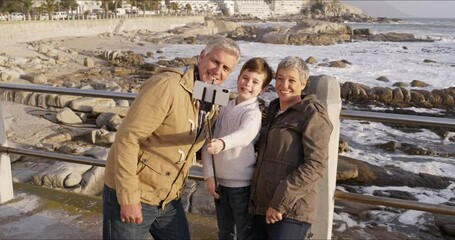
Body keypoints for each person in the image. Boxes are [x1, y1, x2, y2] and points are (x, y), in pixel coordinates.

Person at [102, 37, 241, 240]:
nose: (218, 71)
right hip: (136, 193)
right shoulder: (167, 85)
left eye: (226, 68)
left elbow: (204, 140)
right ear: (202, 56)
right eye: (215, 61)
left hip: (168, 197)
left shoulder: (212, 94)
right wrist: (128, 198)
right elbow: (127, 138)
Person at [249, 56, 333, 239]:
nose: (284, 84)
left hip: (291, 211)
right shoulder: (272, 109)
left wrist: (280, 203)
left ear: (304, 84)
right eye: (280, 78)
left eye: (291, 80)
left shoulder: (312, 114)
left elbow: (315, 165)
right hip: (262, 207)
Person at [202, 57, 273, 240]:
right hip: (219, 184)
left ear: (263, 89)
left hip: (242, 187)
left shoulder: (253, 112)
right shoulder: (224, 104)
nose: (248, 84)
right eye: (245, 77)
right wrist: (209, 175)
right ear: (238, 77)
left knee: (244, 233)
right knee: (224, 231)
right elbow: (207, 140)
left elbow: (245, 134)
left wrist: (223, 143)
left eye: (255, 82)